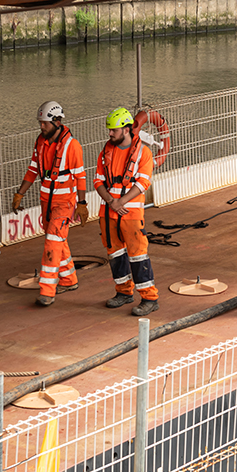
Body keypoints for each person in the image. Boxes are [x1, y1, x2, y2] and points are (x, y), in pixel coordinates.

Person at [12, 101, 89, 306]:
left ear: (57, 121)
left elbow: (80, 177)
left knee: (52, 242)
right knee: (57, 240)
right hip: (46, 200)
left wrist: (81, 204)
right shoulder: (40, 142)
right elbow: (33, 170)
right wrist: (19, 194)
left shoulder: (72, 146)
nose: (41, 126)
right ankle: (69, 279)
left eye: (44, 123)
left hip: (64, 203)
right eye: (40, 122)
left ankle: (48, 291)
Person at [95, 107, 159, 317]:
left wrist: (119, 201)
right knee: (115, 253)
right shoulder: (106, 151)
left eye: (113, 130)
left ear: (126, 129)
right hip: (108, 212)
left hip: (130, 213)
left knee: (138, 255)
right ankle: (124, 292)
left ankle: (149, 298)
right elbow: (98, 181)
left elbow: (143, 183)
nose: (110, 134)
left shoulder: (144, 152)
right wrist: (111, 202)